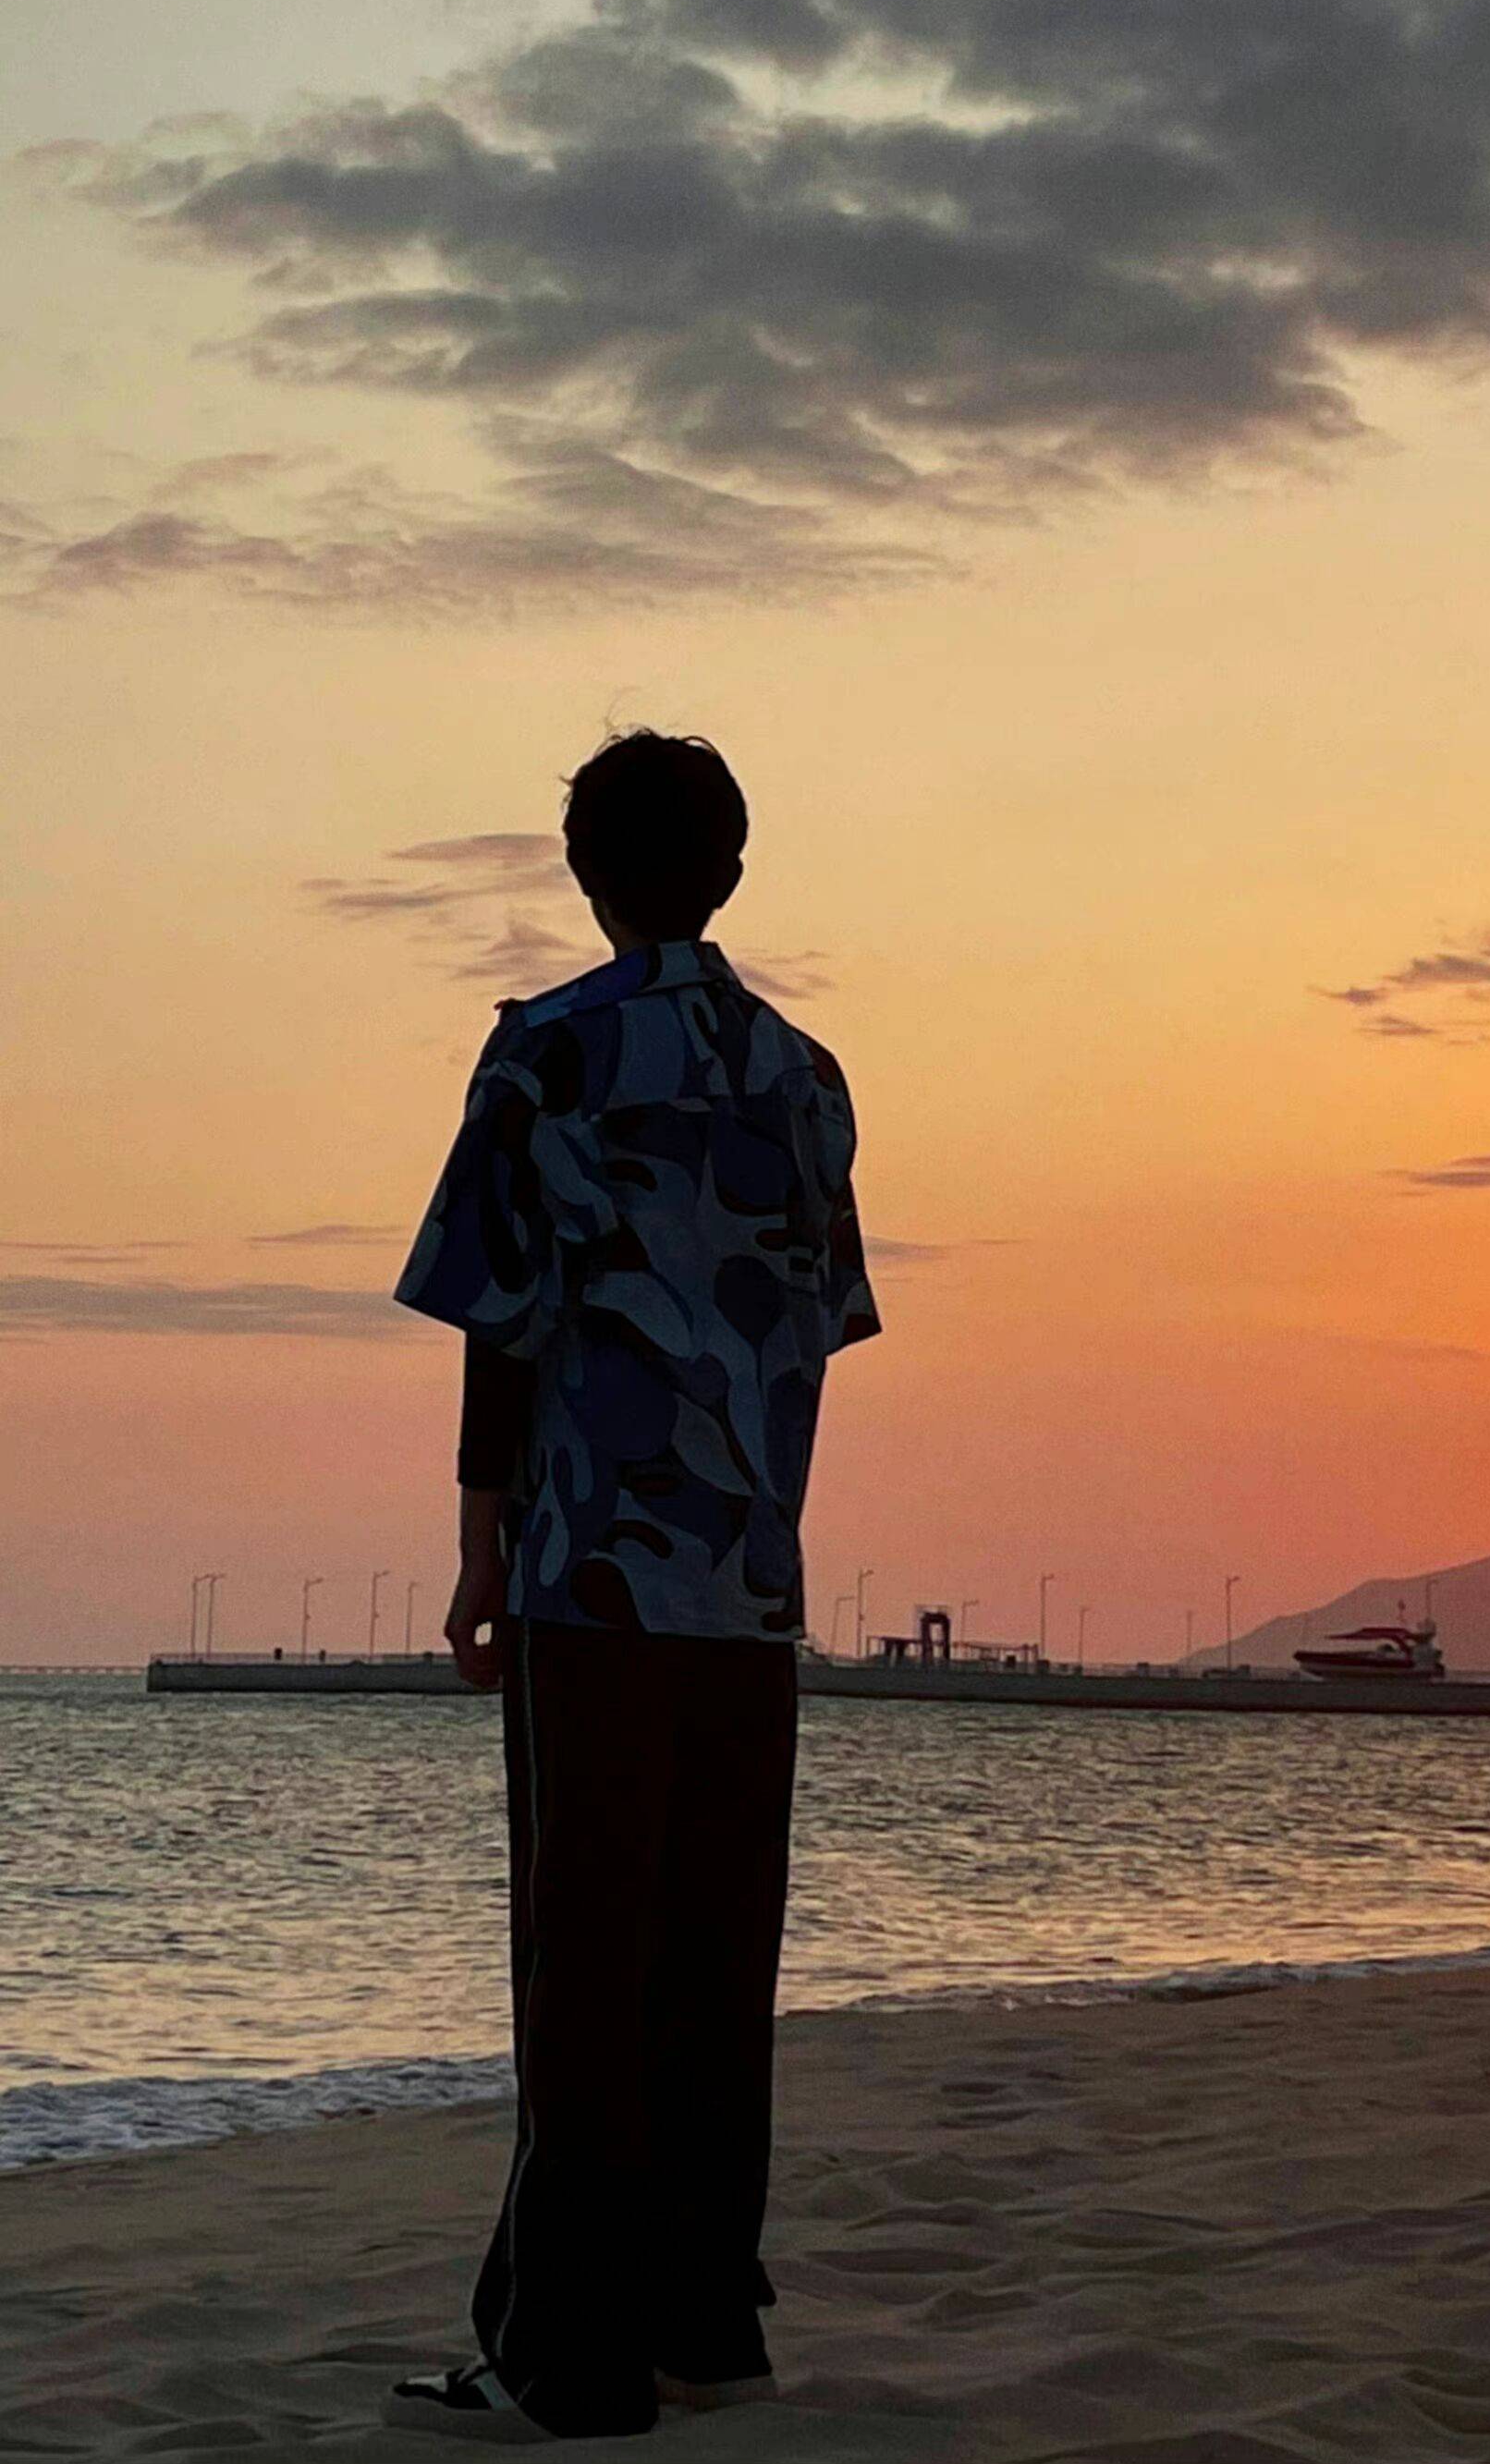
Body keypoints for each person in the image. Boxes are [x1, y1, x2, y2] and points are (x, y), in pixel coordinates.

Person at [382, 731, 878, 2442]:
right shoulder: (807, 1077)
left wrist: (477, 1545)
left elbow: (500, 1319)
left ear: (583, 872)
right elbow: (816, 1327)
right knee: (715, 1957)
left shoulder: (547, 1053)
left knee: (583, 1961)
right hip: (746, 1578)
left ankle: (573, 2355)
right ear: (731, 869)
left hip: (591, 1565)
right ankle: (704, 2320)